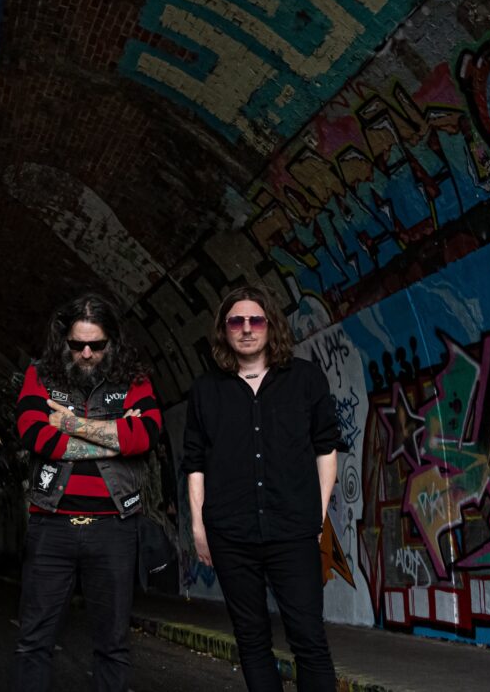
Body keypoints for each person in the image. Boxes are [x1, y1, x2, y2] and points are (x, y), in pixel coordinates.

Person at [182, 285, 340, 692]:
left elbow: (326, 449)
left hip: (292, 529)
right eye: (237, 321)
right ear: (224, 330)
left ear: (271, 325)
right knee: (252, 641)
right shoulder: (205, 390)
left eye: (256, 320)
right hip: (230, 533)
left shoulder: (305, 379)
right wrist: (199, 527)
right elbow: (195, 463)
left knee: (309, 638)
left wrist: (318, 514)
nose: (247, 329)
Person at [12, 292, 162, 692]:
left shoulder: (135, 379)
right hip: (51, 525)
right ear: (63, 340)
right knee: (33, 641)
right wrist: (115, 437)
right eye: (77, 345)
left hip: (114, 527)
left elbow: (145, 435)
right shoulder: (40, 375)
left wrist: (68, 424)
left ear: (113, 341)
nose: (87, 354)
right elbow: (33, 434)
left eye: (97, 345)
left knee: (113, 645)